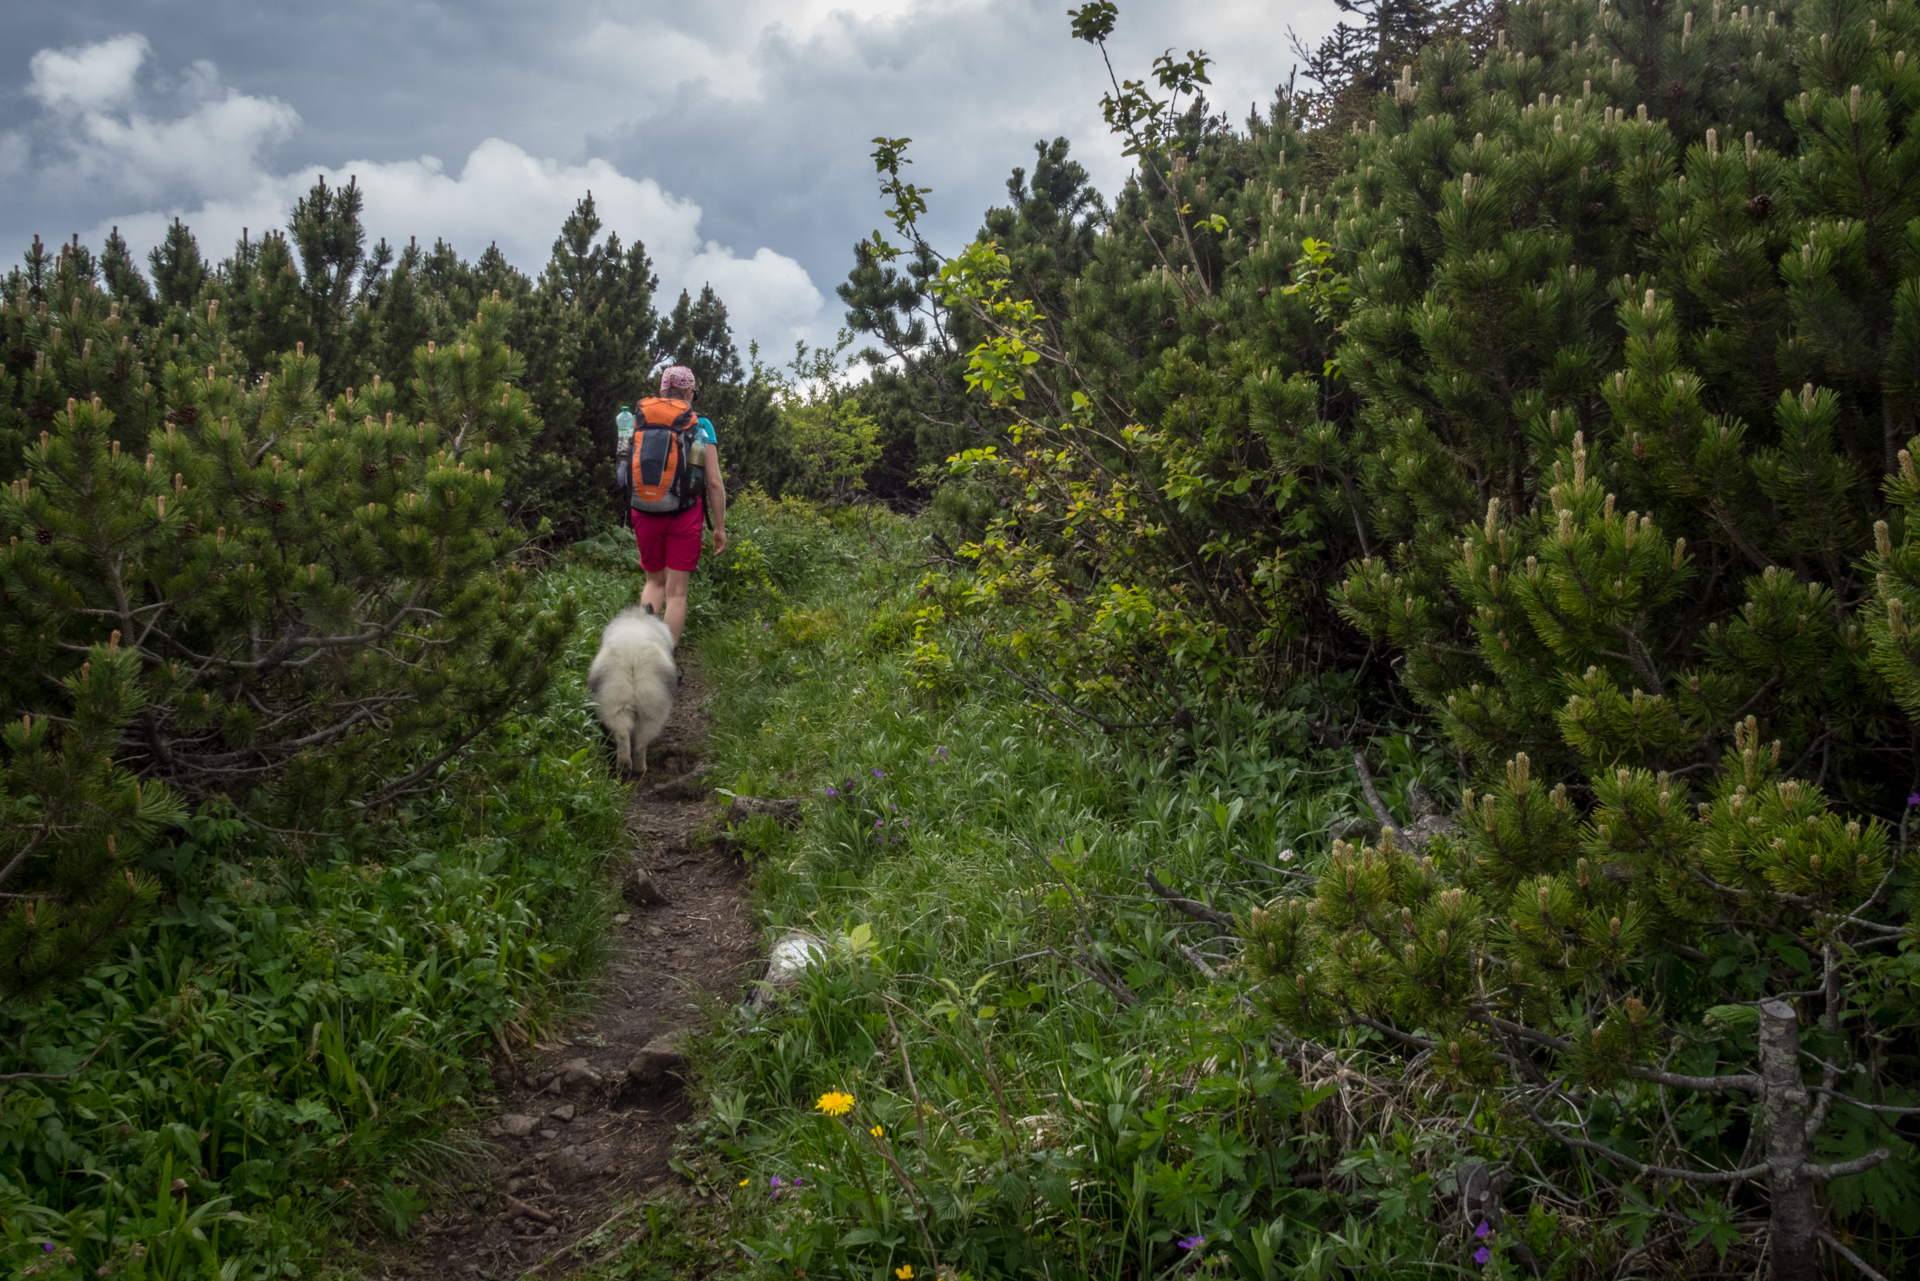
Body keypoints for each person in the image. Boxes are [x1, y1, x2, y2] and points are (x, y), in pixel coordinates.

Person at [626, 365, 726, 647]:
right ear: (690, 392)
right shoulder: (701, 425)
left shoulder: (637, 420)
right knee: (676, 593)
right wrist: (719, 527)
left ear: (661, 390)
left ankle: (642, 651)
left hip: (643, 508)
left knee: (654, 583)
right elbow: (715, 482)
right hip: (685, 514)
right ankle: (665, 661)